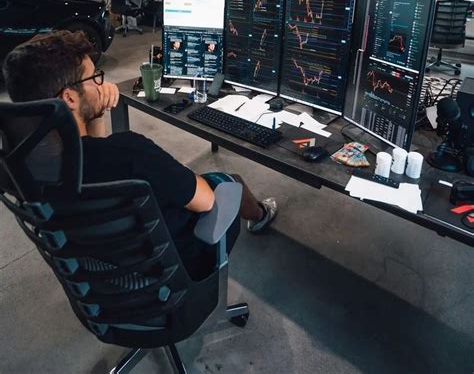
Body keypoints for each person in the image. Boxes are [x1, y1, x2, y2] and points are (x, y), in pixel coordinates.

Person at [2, 31, 278, 278]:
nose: (102, 82)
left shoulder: (22, 167)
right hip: (174, 267)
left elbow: (95, 154)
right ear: (70, 99)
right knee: (229, 182)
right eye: (94, 76)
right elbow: (206, 202)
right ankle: (261, 214)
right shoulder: (129, 152)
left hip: (106, 269)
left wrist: (97, 111)